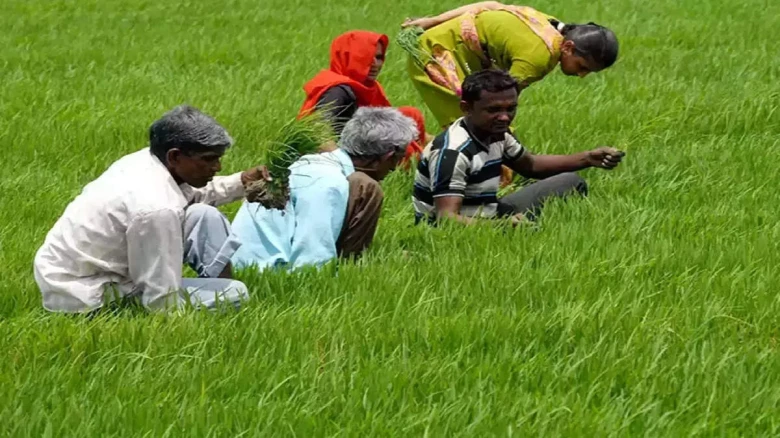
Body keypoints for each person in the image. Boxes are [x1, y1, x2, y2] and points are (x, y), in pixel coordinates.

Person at [33, 105, 277, 314]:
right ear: (175, 156)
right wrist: (178, 326)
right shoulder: (157, 208)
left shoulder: (147, 162)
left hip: (85, 272)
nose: (217, 166)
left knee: (204, 215)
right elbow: (161, 299)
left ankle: (214, 284)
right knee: (237, 294)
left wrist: (243, 182)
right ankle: (221, 299)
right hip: (85, 293)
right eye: (209, 159)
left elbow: (193, 193)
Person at [400, 2, 619, 184]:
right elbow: (498, 105)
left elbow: (489, 5)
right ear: (569, 47)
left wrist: (432, 21)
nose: (582, 75)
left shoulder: (547, 23)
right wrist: (512, 159)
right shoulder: (540, 57)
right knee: (470, 126)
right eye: (583, 67)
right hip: (435, 56)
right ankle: (408, 158)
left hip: (444, 47)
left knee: (479, 130)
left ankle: (420, 149)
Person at [413, 69, 624, 225]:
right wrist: (502, 226)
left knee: (571, 182)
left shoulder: (496, 133)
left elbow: (530, 165)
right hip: (451, 229)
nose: (504, 117)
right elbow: (446, 218)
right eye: (493, 109)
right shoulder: (453, 152)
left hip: (488, 212)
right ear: (466, 108)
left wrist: (587, 158)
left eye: (511, 108)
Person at [231, 107, 418, 270]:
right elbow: (311, 257)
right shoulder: (328, 182)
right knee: (368, 188)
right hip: (266, 269)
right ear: (388, 157)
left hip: (246, 263)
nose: (394, 168)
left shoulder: (313, 164)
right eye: (397, 159)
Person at [299, 30, 430, 166]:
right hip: (352, 154)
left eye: (378, 57)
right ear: (348, 57)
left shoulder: (368, 87)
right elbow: (318, 131)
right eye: (366, 57)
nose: (375, 64)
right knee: (404, 147)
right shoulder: (338, 90)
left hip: (365, 145)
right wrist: (345, 166)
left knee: (410, 114)